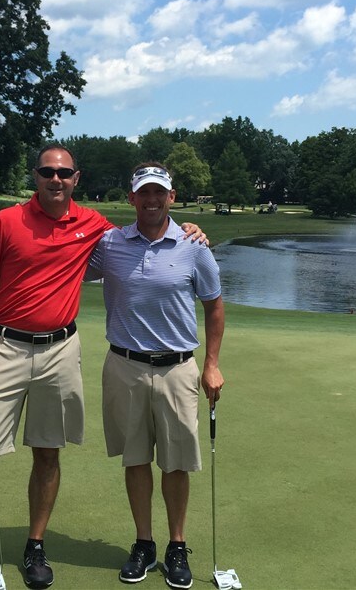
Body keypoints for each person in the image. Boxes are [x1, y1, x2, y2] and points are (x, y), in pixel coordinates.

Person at [0, 146, 207, 590]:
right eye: (47, 171)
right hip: (3, 346)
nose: (55, 179)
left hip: (61, 349)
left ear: (76, 178)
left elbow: (150, 226)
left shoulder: (93, 226)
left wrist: (191, 229)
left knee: (48, 453)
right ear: (36, 177)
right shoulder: (7, 221)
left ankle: (35, 546)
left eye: (63, 173)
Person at [86, 162, 225, 590]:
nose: (151, 200)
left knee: (177, 463)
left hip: (178, 368)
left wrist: (212, 364)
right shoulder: (109, 243)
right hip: (124, 365)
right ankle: (144, 542)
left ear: (172, 196)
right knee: (135, 458)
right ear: (131, 198)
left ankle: (176, 544)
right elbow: (64, 259)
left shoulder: (194, 245)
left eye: (158, 193)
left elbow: (214, 306)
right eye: (143, 193)